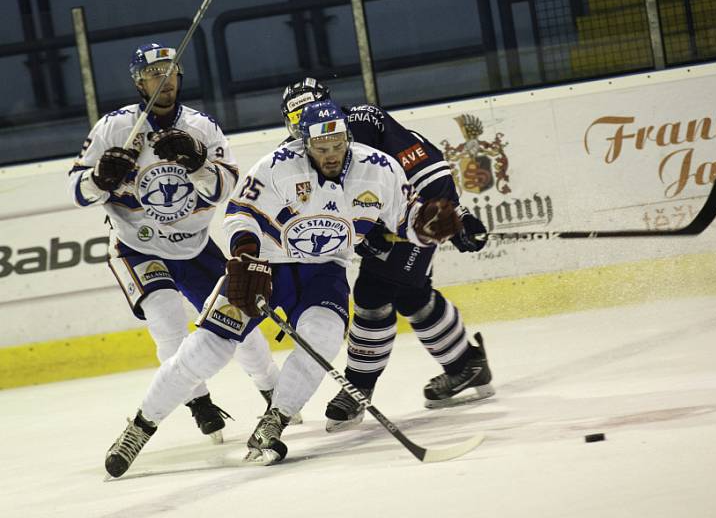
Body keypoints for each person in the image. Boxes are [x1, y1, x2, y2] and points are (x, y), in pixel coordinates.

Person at [102, 100, 463, 476]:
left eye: (338, 145)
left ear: (347, 138)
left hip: (324, 274)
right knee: (205, 350)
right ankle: (140, 427)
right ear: (304, 142)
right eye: (322, 148)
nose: (331, 155)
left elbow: (404, 218)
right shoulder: (277, 165)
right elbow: (241, 212)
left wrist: (425, 225)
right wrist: (245, 256)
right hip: (267, 267)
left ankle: (274, 421)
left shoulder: (380, 169)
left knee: (321, 341)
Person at [68, 42, 281, 443]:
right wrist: (100, 177)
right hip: (137, 244)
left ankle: (272, 388)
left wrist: (198, 161)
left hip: (194, 245)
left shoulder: (201, 127)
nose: (164, 79)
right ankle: (198, 403)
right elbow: (77, 191)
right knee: (167, 325)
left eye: (170, 70)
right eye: (154, 73)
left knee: (240, 323)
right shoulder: (114, 127)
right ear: (138, 82)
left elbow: (226, 189)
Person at [280, 78, 494, 432]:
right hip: (379, 233)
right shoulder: (289, 158)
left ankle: (358, 389)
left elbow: (428, 166)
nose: (310, 127)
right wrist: (363, 240)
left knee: (373, 294)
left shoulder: (365, 122)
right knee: (412, 296)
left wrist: (455, 216)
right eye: (298, 118)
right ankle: (465, 365)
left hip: (414, 219)